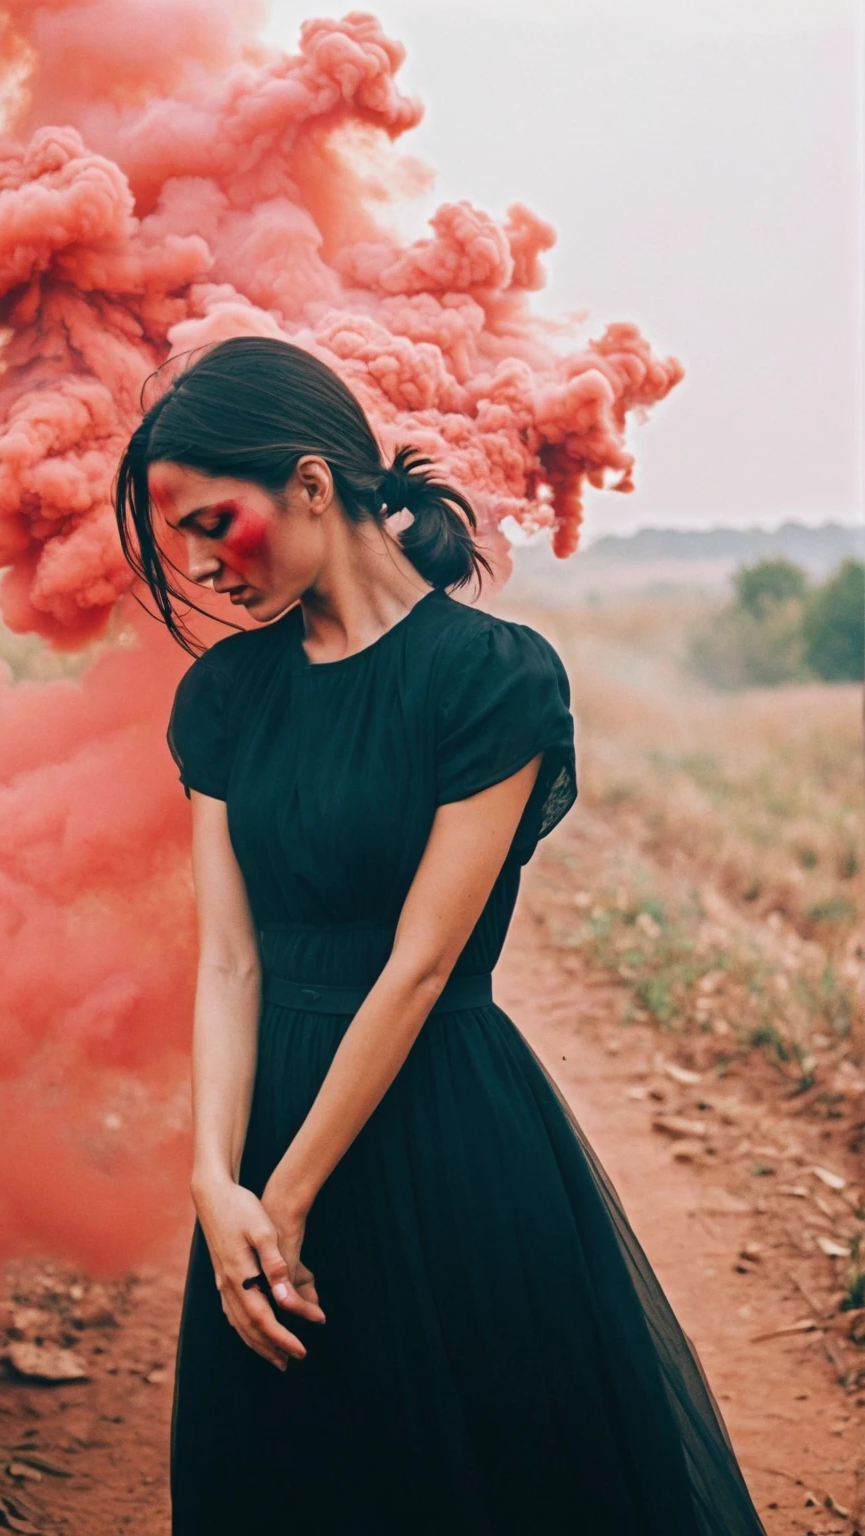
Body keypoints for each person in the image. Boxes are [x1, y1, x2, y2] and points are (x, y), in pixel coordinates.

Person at [114, 336, 766, 1535]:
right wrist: (216, 1181)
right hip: (259, 1148)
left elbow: (418, 968)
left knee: (472, 1478)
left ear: (311, 483)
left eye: (216, 525)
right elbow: (227, 958)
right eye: (183, 547)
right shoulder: (223, 694)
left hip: (434, 1126)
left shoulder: (490, 679)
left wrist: (290, 1193)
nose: (204, 569)